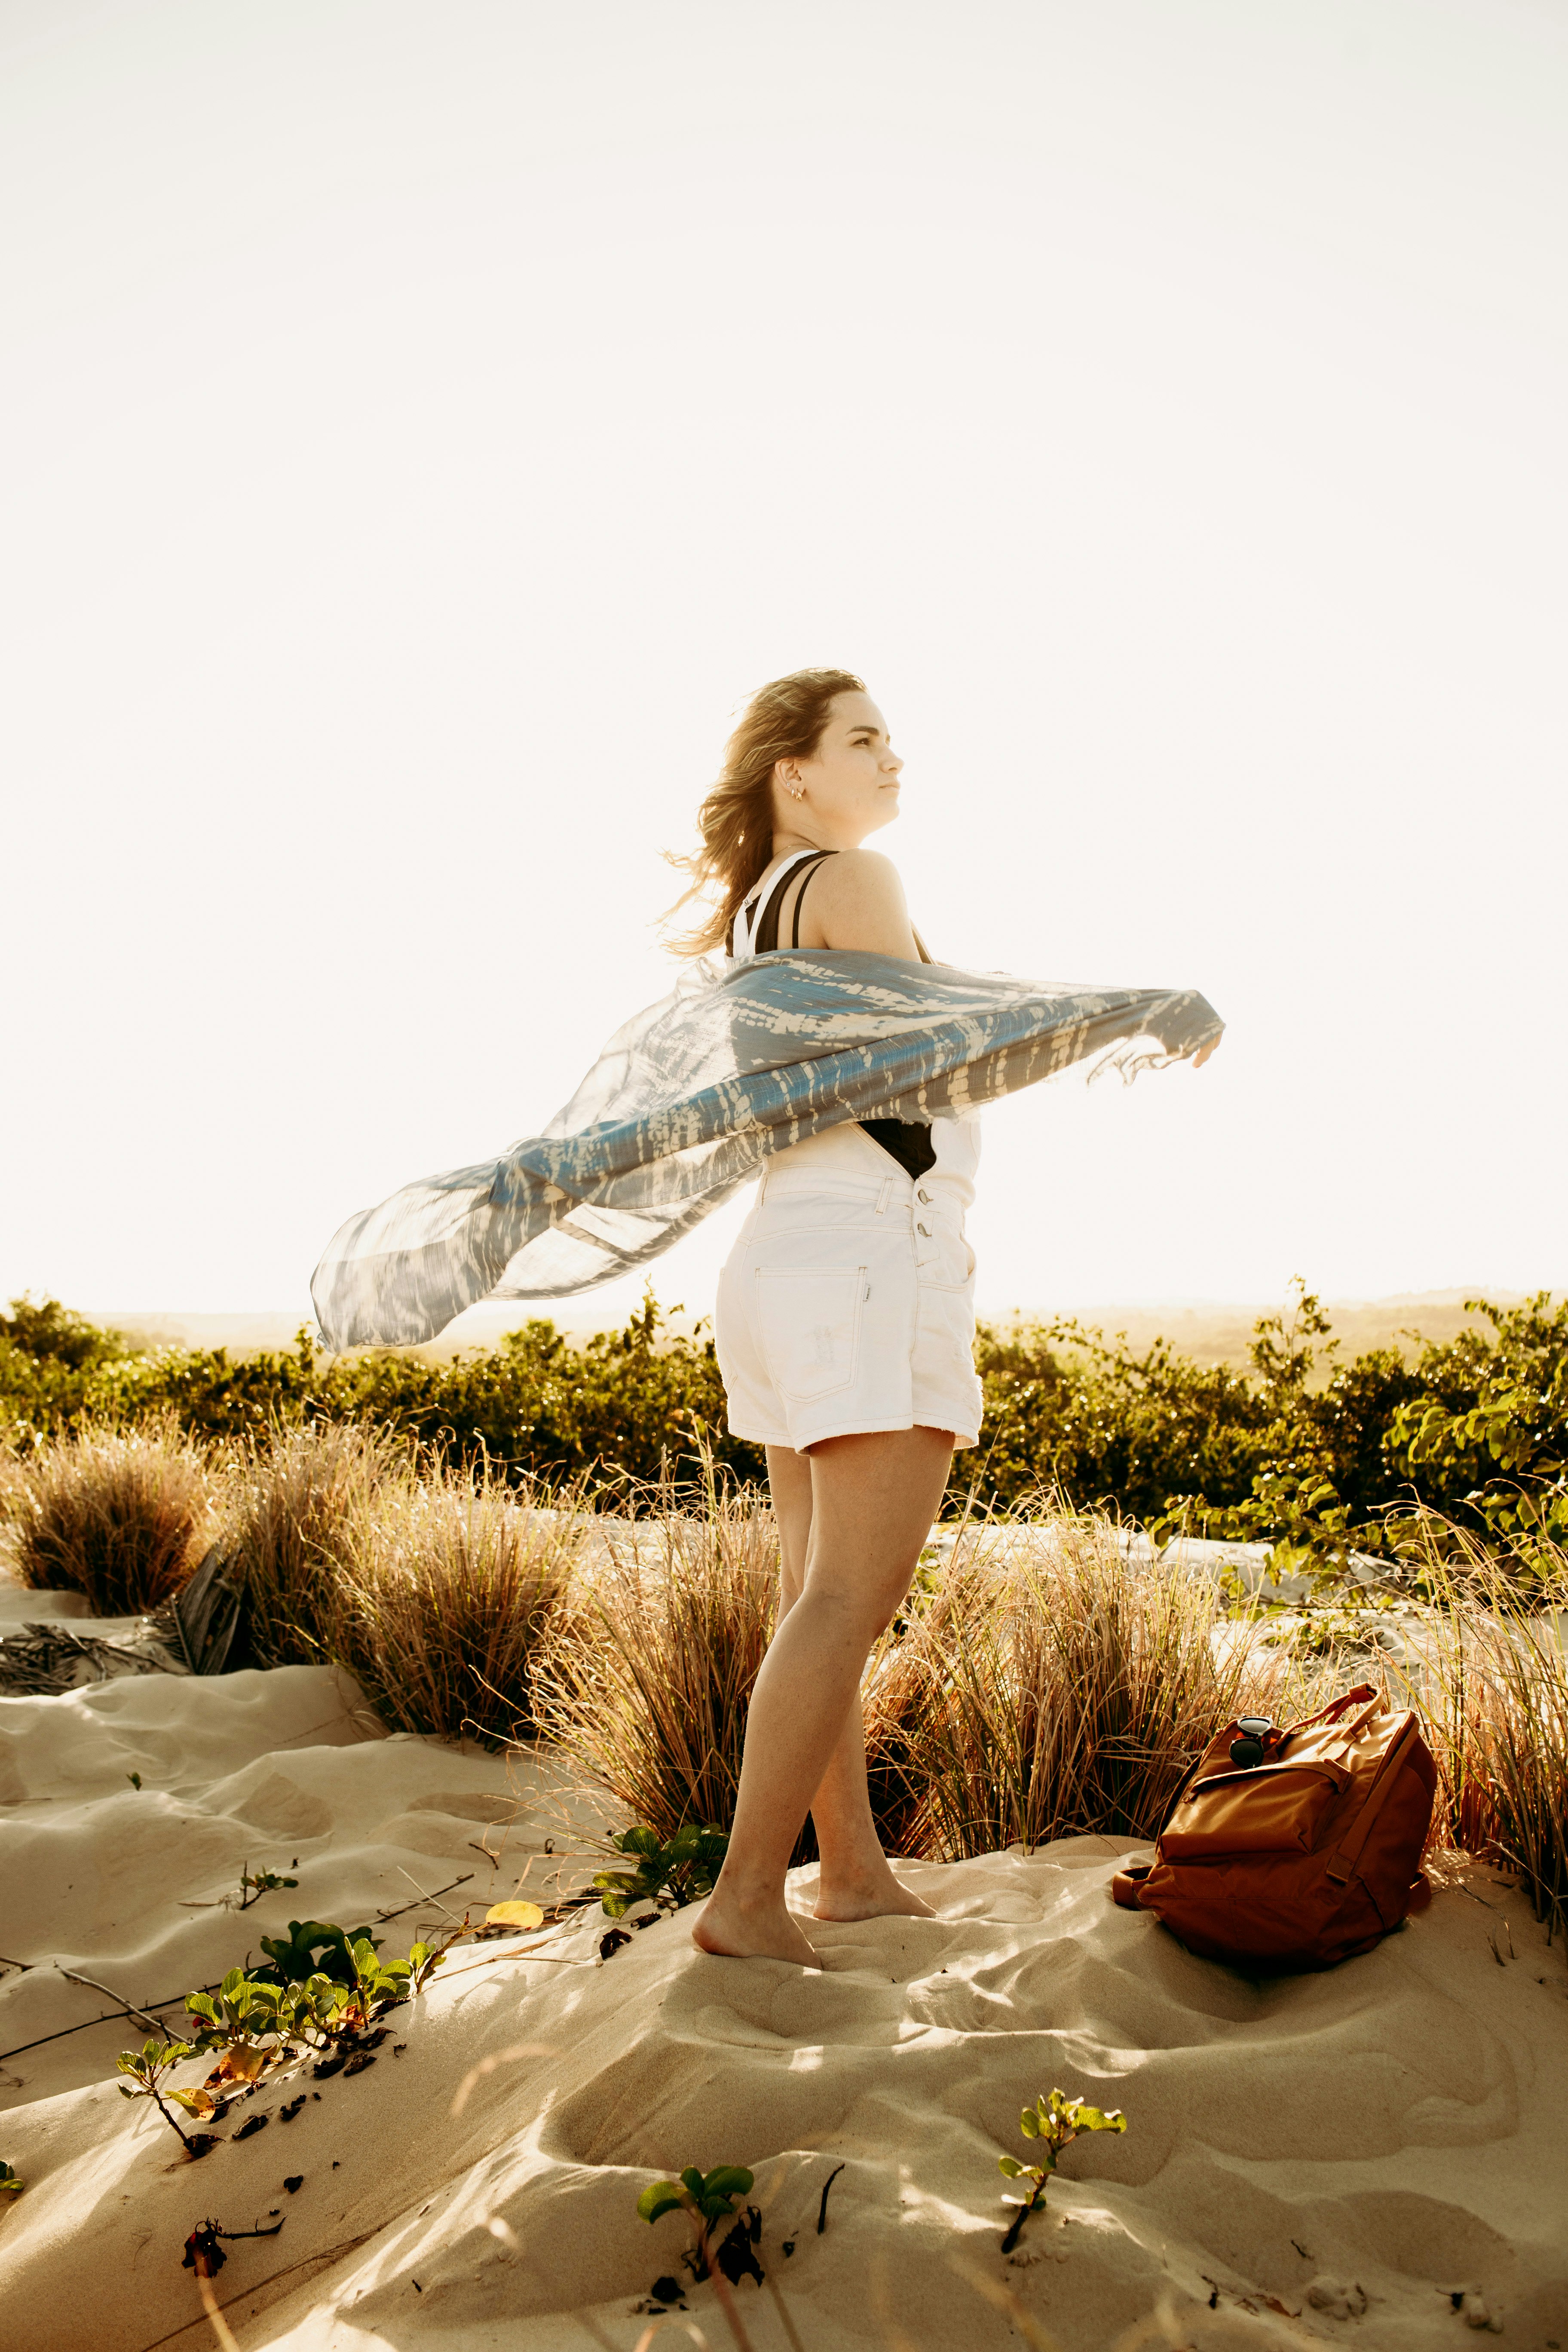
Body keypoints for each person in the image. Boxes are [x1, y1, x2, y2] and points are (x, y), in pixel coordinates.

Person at [665, 669, 1022, 1965]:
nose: (893, 759)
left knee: (813, 1593)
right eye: (863, 739)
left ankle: (851, 1873)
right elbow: (935, 1058)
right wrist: (1115, 1019)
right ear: (793, 772)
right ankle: (748, 1898)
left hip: (783, 1266)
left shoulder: (760, 911)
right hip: (872, 1257)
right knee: (849, 1597)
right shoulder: (857, 884)